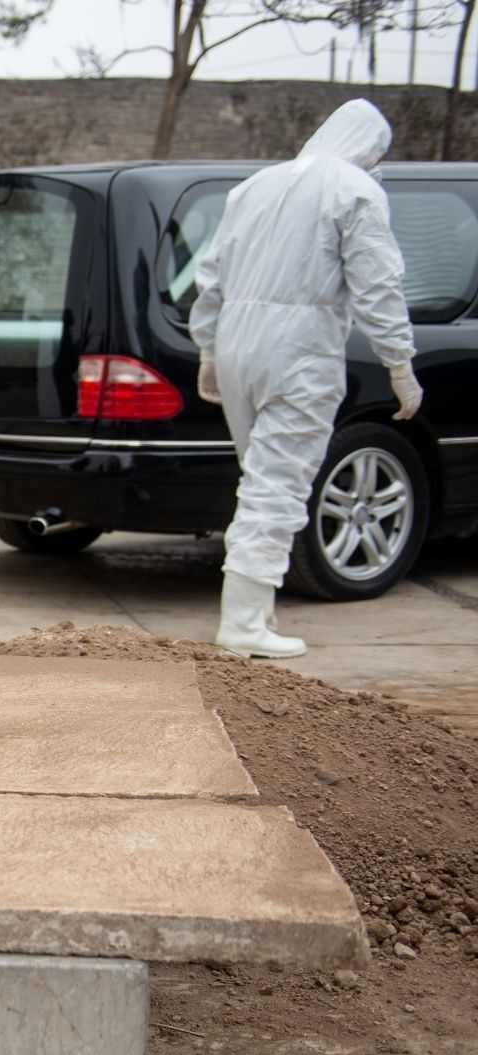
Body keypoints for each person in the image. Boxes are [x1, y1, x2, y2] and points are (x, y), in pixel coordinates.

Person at [192, 98, 420, 659]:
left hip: (238, 342)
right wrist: (400, 363)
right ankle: (243, 621)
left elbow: (212, 273)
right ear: (369, 146)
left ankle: (256, 607)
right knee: (278, 483)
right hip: (300, 348)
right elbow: (378, 286)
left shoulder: (254, 186)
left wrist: (209, 350)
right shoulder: (355, 190)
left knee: (260, 477)